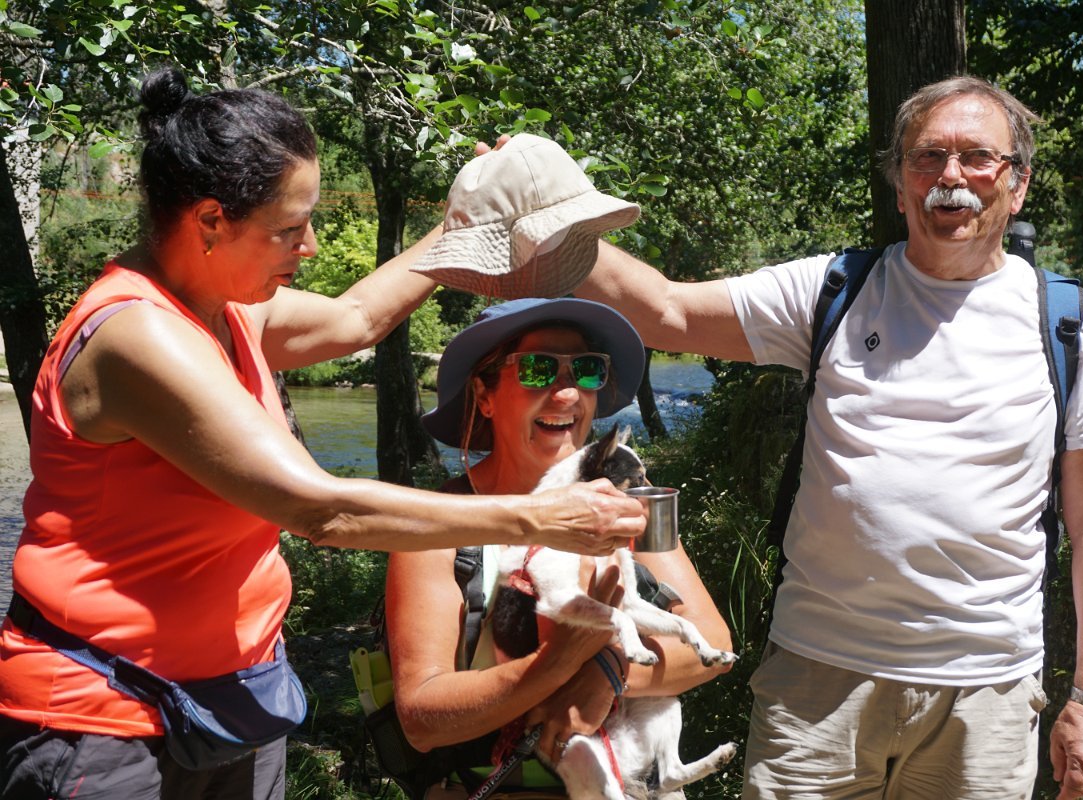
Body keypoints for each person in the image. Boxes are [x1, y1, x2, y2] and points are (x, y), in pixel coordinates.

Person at [0, 69, 644, 800]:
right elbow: (321, 511)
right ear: (210, 221)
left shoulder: (228, 309)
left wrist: (470, 215)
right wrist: (538, 517)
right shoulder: (137, 336)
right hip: (106, 719)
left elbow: (358, 319)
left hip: (233, 699)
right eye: (288, 228)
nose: (308, 245)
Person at [559, 76, 1083, 800]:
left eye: (978, 157)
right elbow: (666, 310)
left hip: (985, 692)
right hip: (816, 684)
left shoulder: (1068, 323)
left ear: (1017, 185)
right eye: (928, 157)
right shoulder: (834, 291)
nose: (951, 176)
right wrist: (544, 216)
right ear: (901, 185)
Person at [386, 297, 733, 798]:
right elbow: (422, 719)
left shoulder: (627, 503)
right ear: (484, 395)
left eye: (588, 370)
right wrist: (556, 667)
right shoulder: (437, 524)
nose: (568, 392)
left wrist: (606, 674)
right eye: (536, 369)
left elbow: (713, 642)